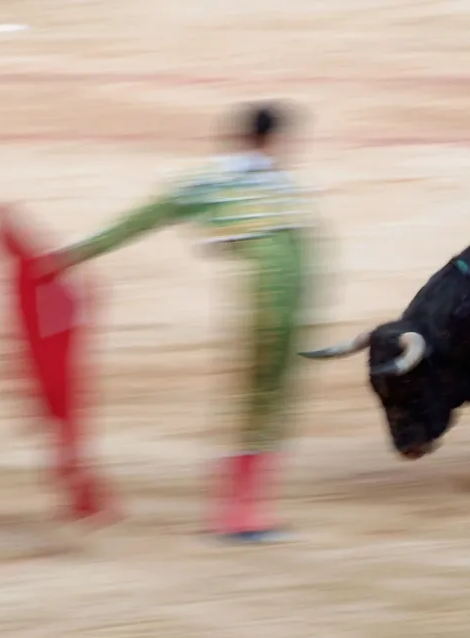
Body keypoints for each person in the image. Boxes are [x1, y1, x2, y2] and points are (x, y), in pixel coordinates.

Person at [38, 102, 313, 543]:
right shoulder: (256, 183)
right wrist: (67, 259)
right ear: (272, 140)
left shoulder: (248, 181)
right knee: (265, 400)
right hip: (277, 303)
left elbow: (143, 220)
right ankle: (239, 514)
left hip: (285, 300)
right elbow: (143, 220)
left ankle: (247, 510)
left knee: (269, 399)